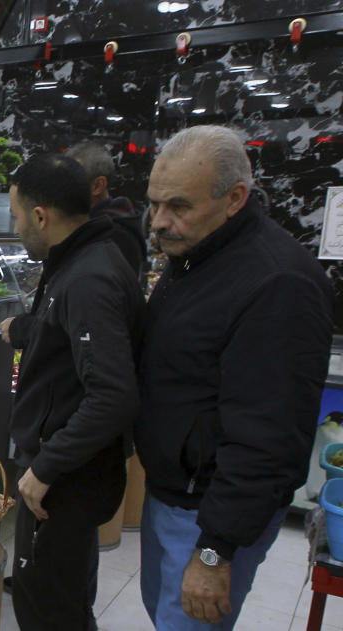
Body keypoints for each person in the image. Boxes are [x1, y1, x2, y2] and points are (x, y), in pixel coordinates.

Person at [136, 125, 335, 629]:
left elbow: (268, 436)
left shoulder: (277, 283)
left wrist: (213, 552)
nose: (159, 222)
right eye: (154, 203)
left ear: (235, 199)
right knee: (164, 615)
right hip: (171, 493)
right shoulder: (197, 256)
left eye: (178, 206)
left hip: (209, 513)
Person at [0, 154, 144, 630]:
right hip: (71, 472)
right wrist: (22, 329)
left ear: (41, 216)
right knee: (61, 599)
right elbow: (64, 338)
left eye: (18, 217)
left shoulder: (89, 277)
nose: (18, 228)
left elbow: (113, 395)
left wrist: (45, 465)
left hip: (66, 480)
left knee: (48, 609)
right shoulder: (84, 258)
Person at [65, 140, 147, 276]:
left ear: (97, 186)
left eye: (70, 181)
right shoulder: (97, 226)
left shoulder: (114, 236)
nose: (62, 189)